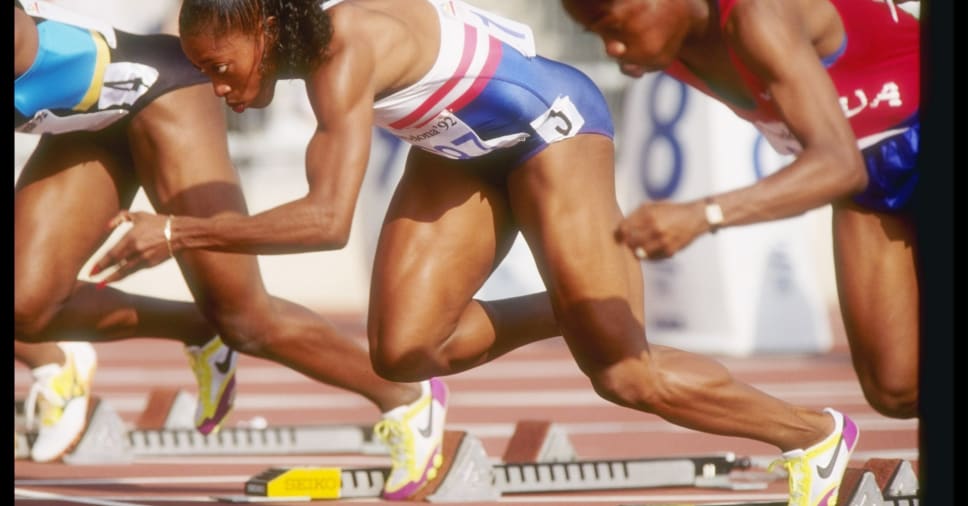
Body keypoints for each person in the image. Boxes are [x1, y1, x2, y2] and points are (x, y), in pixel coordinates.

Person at [94, 0, 860, 503]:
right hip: (459, 148)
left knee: (626, 375)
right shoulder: (301, 44)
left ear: (263, 31)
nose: (217, 88)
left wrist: (177, 230)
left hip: (552, 131)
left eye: (220, 67)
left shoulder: (344, 50)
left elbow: (326, 219)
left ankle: (814, 436)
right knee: (402, 351)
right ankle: (573, 307)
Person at [14, 1, 446, 496]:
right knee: (24, 306)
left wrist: (179, 232)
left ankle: (406, 396)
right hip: (86, 124)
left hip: (162, 95)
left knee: (245, 319)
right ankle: (200, 327)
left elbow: (328, 222)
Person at [559, 0, 921, 421]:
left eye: (613, 27)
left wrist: (703, 215)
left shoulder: (758, 15)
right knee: (896, 388)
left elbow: (838, 165)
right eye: (599, 35)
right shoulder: (664, 43)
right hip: (872, 173)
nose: (612, 51)